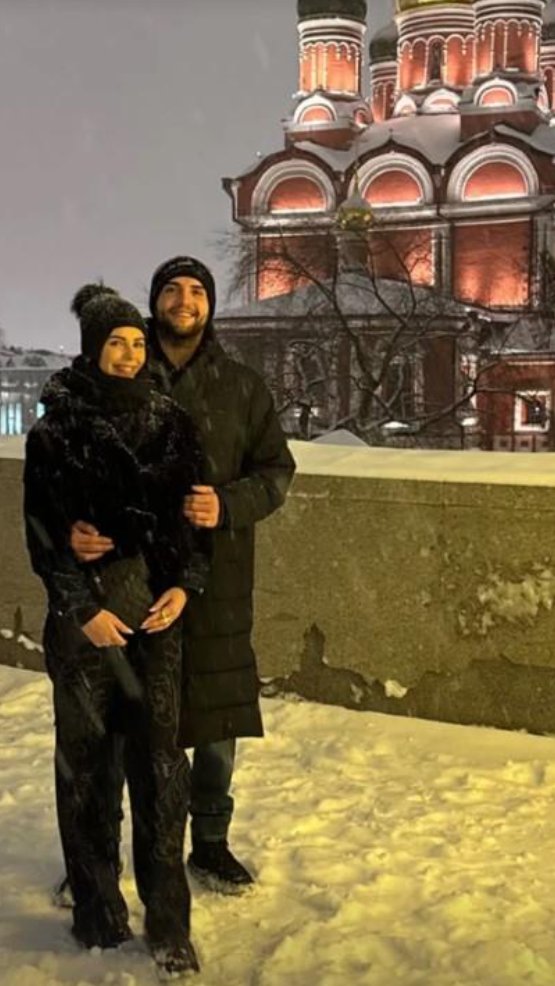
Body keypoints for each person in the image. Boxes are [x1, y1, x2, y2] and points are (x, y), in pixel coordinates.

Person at [70, 256, 296, 892]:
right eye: (171, 289)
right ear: (154, 300)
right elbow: (66, 468)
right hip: (127, 575)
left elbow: (276, 471)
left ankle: (211, 842)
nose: (184, 300)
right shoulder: (116, 371)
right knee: (120, 717)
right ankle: (105, 849)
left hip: (218, 575)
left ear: (210, 304)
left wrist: (227, 504)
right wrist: (71, 529)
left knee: (217, 716)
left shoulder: (242, 386)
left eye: (197, 290)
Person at [24, 284, 209, 978]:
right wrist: (82, 606)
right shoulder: (56, 432)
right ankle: (97, 909)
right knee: (86, 772)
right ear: (92, 348)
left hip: (155, 622)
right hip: (87, 628)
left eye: (136, 342)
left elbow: (194, 521)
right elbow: (42, 533)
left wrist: (185, 586)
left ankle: (169, 922)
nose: (129, 354)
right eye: (116, 343)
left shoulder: (172, 423)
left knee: (162, 771)